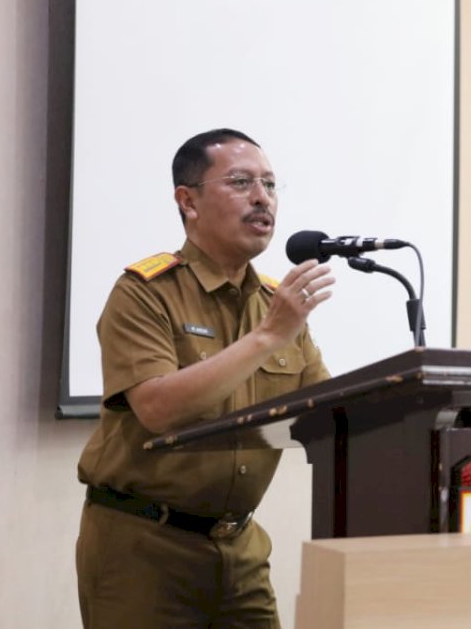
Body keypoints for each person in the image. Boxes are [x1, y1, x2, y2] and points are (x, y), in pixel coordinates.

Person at [75, 128, 336, 628]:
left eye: (271, 184)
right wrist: (266, 338)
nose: (262, 198)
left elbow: (330, 413)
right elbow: (156, 409)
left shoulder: (274, 304)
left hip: (241, 551)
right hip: (145, 548)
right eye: (241, 182)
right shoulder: (144, 293)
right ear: (187, 200)